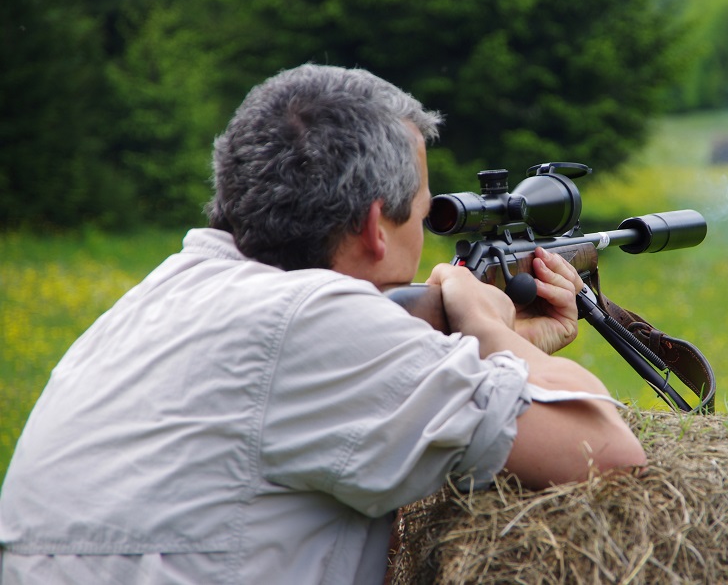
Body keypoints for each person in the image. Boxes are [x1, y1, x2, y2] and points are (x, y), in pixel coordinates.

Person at [0, 64, 646, 584]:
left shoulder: (164, 291)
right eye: (421, 217)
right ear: (372, 226)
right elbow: (611, 457)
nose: (423, 238)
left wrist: (481, 354)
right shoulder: (315, 320)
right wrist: (488, 327)